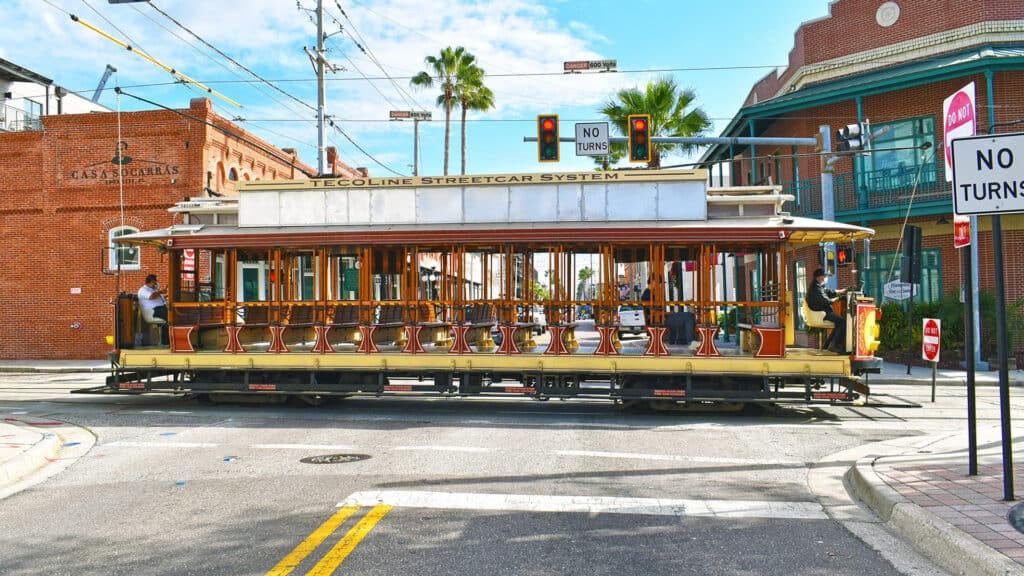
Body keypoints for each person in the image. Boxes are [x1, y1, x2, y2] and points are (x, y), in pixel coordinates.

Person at [807, 268, 847, 353]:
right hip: (822, 313)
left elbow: (829, 292)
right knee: (842, 322)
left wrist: (843, 291)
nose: (824, 278)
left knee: (839, 322)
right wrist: (839, 298)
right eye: (824, 276)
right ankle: (834, 345)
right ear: (819, 277)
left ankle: (828, 345)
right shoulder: (816, 288)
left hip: (822, 312)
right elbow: (827, 301)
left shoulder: (817, 285)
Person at [138, 274, 168, 345]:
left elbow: (157, 296)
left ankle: (166, 341)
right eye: (155, 282)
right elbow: (151, 297)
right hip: (152, 311)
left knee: (170, 314)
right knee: (170, 316)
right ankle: (166, 342)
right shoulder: (143, 290)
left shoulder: (153, 290)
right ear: (151, 282)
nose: (156, 284)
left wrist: (164, 294)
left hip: (160, 309)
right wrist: (160, 291)